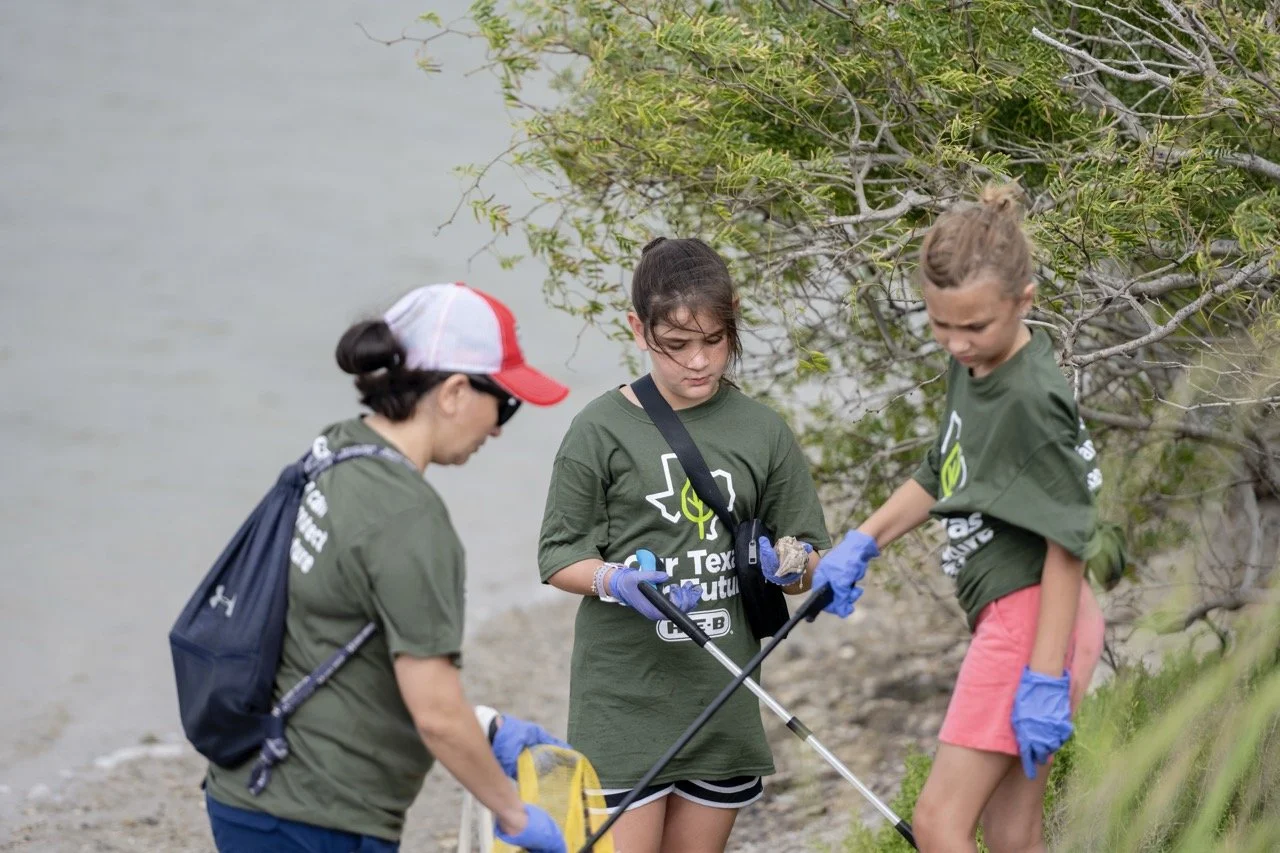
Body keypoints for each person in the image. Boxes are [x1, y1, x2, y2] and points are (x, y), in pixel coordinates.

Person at [204, 282, 572, 853]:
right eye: (505, 402)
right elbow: (435, 714)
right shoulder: (410, 519)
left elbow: (340, 633)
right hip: (317, 819)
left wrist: (485, 727)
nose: (499, 426)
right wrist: (514, 814)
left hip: (246, 789)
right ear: (453, 392)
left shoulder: (334, 451)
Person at [813, 186, 1107, 853]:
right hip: (1026, 616)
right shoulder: (974, 365)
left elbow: (1070, 540)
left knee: (940, 822)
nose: (957, 341)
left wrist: (1041, 678)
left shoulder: (1030, 398)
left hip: (1032, 617)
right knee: (1011, 833)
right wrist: (864, 539)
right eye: (941, 324)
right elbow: (941, 467)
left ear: (1024, 300)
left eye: (974, 326)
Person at [537, 237, 833, 853]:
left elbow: (809, 559)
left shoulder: (762, 430)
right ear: (637, 330)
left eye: (714, 340)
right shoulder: (600, 429)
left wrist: (794, 564)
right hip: (623, 705)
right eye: (676, 346)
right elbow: (559, 554)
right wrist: (615, 580)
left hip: (723, 695)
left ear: (734, 321)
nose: (698, 361)